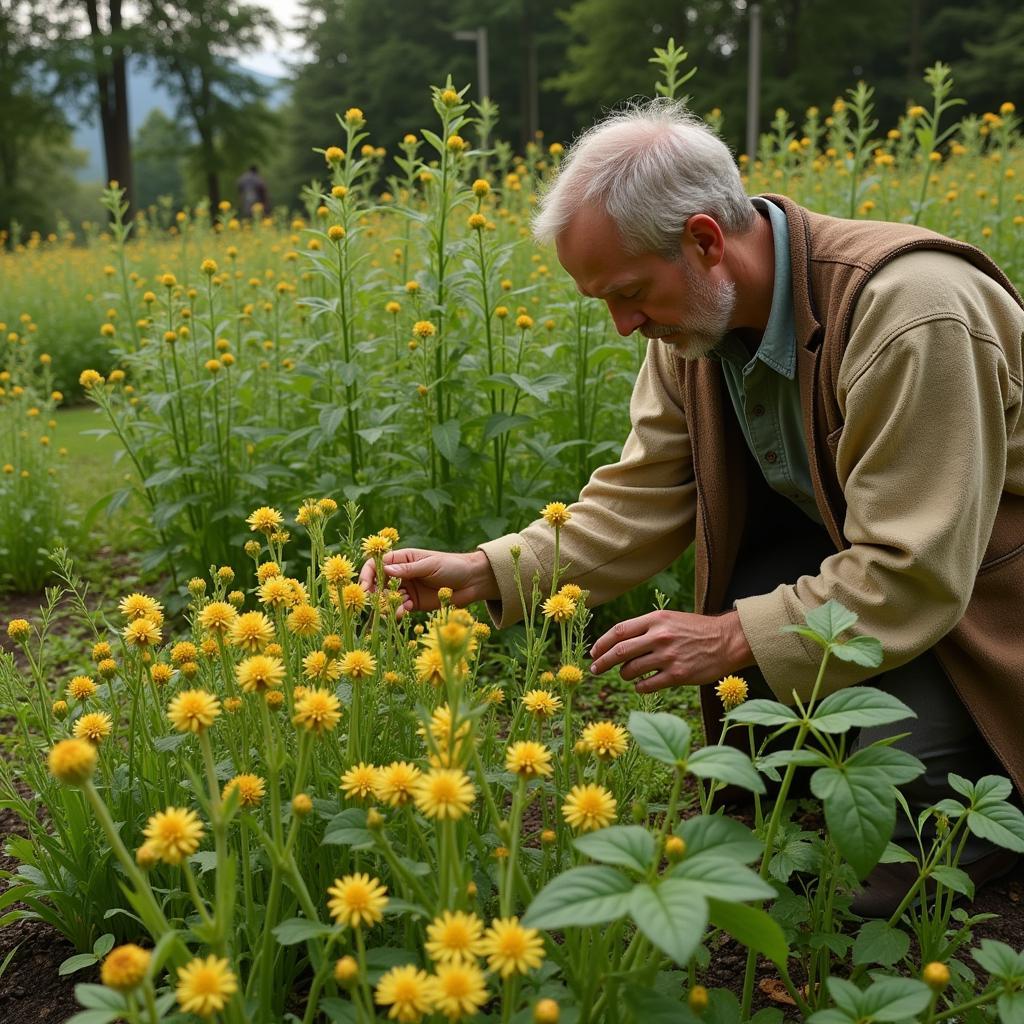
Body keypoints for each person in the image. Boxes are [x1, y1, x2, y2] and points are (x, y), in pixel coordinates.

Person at [362, 100, 1024, 914]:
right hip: (877, 583)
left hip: (988, 605)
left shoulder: (909, 311)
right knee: (774, 807)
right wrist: (483, 573)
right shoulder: (695, 330)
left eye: (631, 292)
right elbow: (640, 498)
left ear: (706, 240)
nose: (621, 325)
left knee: (887, 872)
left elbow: (914, 566)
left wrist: (734, 635)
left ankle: (991, 802)